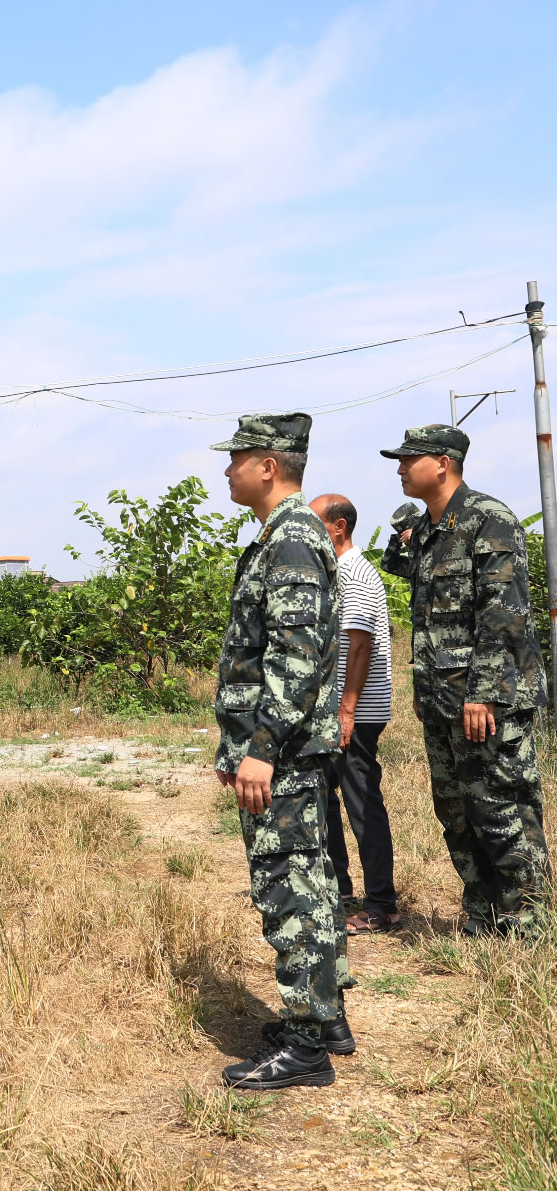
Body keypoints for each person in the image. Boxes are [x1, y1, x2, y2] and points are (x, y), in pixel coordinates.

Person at [210, 412, 350, 1090]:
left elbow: (294, 659)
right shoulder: (287, 535)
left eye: (237, 457)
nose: (227, 469)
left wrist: (260, 748)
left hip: (282, 756)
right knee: (311, 884)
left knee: (291, 891)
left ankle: (306, 1046)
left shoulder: (292, 538)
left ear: (269, 465)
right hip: (288, 751)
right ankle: (325, 1019)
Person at [380, 424, 549, 937]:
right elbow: (421, 602)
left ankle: (530, 921)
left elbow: (503, 616)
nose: (401, 468)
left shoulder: (489, 520)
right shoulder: (430, 530)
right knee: (456, 811)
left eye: (410, 459)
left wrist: (484, 696)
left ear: (443, 463)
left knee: (500, 806)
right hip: (440, 701)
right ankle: (482, 913)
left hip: (485, 701)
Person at [309, 493, 403, 934]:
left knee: (362, 801)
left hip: (358, 711)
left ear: (339, 527)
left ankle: (382, 905)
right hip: (341, 708)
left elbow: (361, 644)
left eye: (315, 524)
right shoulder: (338, 571)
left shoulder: (354, 572)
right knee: (327, 794)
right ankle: (340, 888)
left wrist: (346, 711)